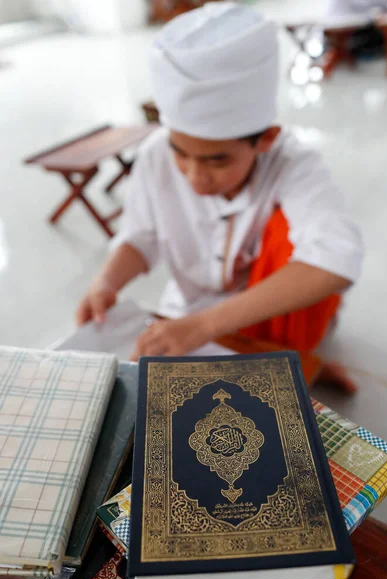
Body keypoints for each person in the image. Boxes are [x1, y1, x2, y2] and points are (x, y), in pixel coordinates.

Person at [76, 2, 364, 360]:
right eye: (180, 153)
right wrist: (107, 281)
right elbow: (141, 236)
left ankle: (302, 357)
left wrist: (203, 327)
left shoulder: (292, 162)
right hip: (185, 314)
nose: (196, 179)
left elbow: (335, 256)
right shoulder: (155, 154)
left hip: (264, 313)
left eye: (217, 160)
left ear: (266, 139)